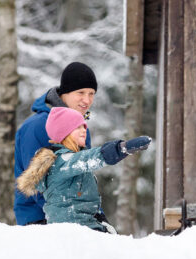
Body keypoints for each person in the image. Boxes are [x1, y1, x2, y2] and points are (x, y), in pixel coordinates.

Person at [15, 107, 151, 233]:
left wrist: (101, 220)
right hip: (72, 232)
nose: (84, 130)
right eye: (77, 127)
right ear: (64, 132)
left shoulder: (69, 160)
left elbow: (83, 203)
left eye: (84, 126)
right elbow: (93, 157)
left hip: (83, 227)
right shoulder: (62, 162)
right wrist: (121, 148)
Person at [14, 62, 97, 225]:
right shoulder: (37, 127)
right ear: (65, 93)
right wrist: (70, 216)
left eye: (91, 93)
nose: (87, 100)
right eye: (80, 92)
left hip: (74, 218)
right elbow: (37, 182)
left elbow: (83, 180)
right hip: (40, 221)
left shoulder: (80, 129)